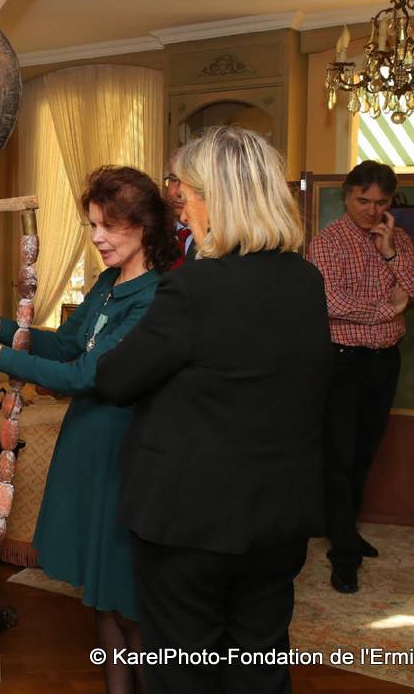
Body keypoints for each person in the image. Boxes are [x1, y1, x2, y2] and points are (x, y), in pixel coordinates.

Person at [0, 166, 178, 694]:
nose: (97, 238)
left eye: (108, 226)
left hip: (126, 457)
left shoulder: (157, 296)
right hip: (88, 445)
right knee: (101, 594)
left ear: (144, 225)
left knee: (127, 598)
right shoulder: (109, 283)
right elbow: (65, 345)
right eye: (92, 225)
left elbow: (87, 375)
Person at [96, 126, 332, 694]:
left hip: (189, 522)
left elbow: (116, 380)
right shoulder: (305, 280)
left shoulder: (195, 288)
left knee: (182, 673)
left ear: (216, 199)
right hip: (278, 516)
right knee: (259, 663)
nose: (181, 208)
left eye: (186, 194)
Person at [306, 160, 414, 594]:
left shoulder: (398, 240)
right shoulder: (326, 243)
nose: (372, 210)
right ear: (347, 196)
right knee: (339, 456)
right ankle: (344, 554)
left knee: (364, 453)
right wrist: (388, 308)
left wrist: (392, 254)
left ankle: (345, 529)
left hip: (386, 361)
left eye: (381, 202)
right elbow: (330, 302)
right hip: (342, 362)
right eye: (363, 200)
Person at [162, 166, 193, 269]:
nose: (179, 192)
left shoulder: (220, 237)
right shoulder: (153, 228)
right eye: (174, 180)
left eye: (190, 181)